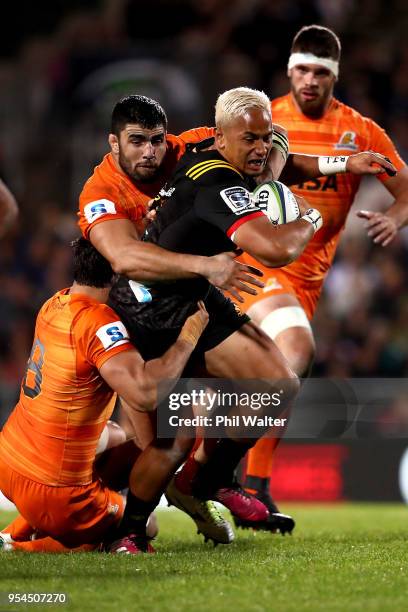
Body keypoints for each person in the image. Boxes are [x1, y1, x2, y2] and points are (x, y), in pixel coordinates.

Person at [78, 93, 396, 540]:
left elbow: (277, 153)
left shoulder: (191, 148)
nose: (149, 152)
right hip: (140, 309)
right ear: (114, 144)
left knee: (278, 385)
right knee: (166, 444)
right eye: (136, 142)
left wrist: (338, 165)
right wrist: (310, 217)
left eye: (155, 141)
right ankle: (114, 523)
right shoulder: (105, 191)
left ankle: (206, 481)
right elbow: (129, 258)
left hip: (197, 295)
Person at [235, 25, 408, 529]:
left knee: (284, 375)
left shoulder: (362, 130)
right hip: (253, 265)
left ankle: (243, 483)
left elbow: (405, 189)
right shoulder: (263, 118)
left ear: (335, 76)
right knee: (289, 354)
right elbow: (265, 168)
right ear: (289, 70)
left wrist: (394, 218)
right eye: (302, 70)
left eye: (320, 72)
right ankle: (237, 482)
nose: (309, 80)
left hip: (308, 280)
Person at [0, 238, 209, 554]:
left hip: (10, 460)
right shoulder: (99, 322)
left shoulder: (54, 304)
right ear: (118, 272)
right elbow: (144, 393)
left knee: (116, 435)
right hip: (54, 490)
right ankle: (19, 547)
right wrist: (188, 336)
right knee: (145, 525)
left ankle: (14, 531)